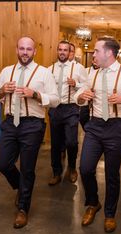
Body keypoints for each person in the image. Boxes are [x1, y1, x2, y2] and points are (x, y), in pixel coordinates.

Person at [74, 36, 121, 233]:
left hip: (117, 127)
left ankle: (109, 214)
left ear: (108, 53)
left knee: (111, 174)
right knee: (85, 169)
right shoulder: (93, 74)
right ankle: (92, 202)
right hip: (94, 126)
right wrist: (81, 96)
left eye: (97, 50)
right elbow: (79, 95)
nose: (94, 53)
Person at [0, 36, 59, 229]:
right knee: (4, 163)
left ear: (35, 51)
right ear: (16, 50)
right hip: (10, 123)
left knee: (28, 168)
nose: (25, 52)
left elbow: (55, 100)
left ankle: (23, 209)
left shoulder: (44, 73)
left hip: (32, 125)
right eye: (21, 48)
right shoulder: (6, 71)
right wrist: (3, 90)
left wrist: (35, 94)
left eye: (29, 49)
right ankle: (21, 188)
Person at [48, 40, 88, 185]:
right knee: (56, 143)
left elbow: (86, 86)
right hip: (55, 109)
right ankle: (56, 172)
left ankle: (72, 168)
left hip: (71, 108)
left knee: (71, 141)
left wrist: (76, 84)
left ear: (69, 51)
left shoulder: (78, 68)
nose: (63, 52)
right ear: (57, 51)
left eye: (66, 50)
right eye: (60, 50)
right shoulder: (50, 69)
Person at [79, 58, 100, 130]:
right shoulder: (86, 71)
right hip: (86, 102)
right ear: (92, 61)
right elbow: (81, 84)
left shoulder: (103, 72)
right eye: (94, 60)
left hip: (97, 101)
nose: (96, 62)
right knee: (82, 118)